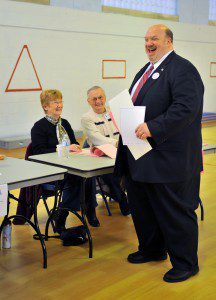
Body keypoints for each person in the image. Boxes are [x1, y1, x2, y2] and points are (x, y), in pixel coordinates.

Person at [115, 24, 204, 283]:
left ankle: (186, 263)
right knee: (144, 209)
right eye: (145, 39)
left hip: (170, 159)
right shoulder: (145, 70)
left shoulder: (183, 69)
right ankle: (152, 249)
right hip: (141, 156)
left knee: (175, 212)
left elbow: (186, 108)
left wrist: (153, 127)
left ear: (168, 41)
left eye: (154, 38)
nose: (148, 43)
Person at [31, 89, 100, 229]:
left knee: (88, 173)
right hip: (50, 170)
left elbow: (74, 143)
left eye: (61, 102)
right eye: (55, 102)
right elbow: (38, 153)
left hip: (70, 164)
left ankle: (78, 210)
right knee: (77, 177)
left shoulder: (65, 123)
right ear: (46, 107)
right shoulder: (38, 127)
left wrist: (77, 148)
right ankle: (65, 213)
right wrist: (64, 148)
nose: (60, 105)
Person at [81, 86, 130, 216]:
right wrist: (117, 143)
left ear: (105, 98)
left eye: (100, 97)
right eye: (94, 99)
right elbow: (97, 139)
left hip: (118, 152)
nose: (98, 101)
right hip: (100, 157)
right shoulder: (86, 118)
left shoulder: (112, 112)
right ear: (89, 102)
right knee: (111, 175)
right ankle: (124, 202)